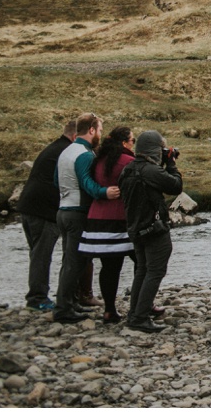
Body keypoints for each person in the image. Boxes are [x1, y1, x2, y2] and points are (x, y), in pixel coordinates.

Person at [54, 112, 116, 324]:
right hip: (77, 212)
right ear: (91, 130)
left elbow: (56, 180)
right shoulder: (84, 154)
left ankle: (70, 302)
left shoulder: (66, 151)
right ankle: (63, 308)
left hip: (63, 209)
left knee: (68, 260)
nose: (100, 134)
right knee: (76, 262)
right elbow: (87, 183)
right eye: (99, 130)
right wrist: (104, 192)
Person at [119, 131, 182, 333]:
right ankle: (140, 317)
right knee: (155, 271)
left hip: (135, 228)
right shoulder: (149, 170)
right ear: (155, 150)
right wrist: (171, 163)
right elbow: (175, 186)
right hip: (154, 229)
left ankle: (135, 312)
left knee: (142, 270)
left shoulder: (128, 169)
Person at [79, 126, 137, 324]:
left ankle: (110, 309)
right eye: (132, 140)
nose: (133, 144)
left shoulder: (98, 161)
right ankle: (140, 305)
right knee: (142, 262)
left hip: (97, 218)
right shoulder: (129, 162)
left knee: (109, 267)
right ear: (124, 143)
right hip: (120, 218)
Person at [20, 119, 76, 312]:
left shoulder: (54, 148)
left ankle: (37, 295)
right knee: (41, 255)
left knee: (37, 253)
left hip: (29, 206)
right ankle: (37, 298)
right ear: (76, 136)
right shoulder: (66, 151)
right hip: (43, 210)